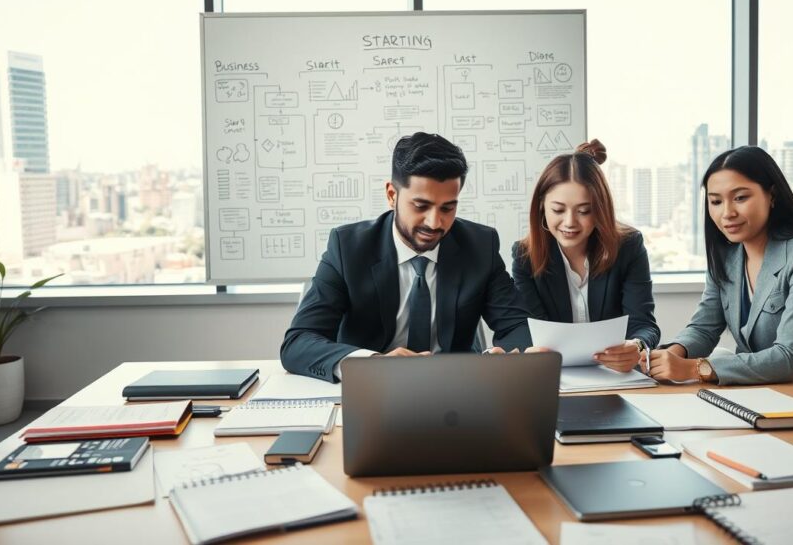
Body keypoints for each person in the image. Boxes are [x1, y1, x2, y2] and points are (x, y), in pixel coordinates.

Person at [281, 132, 536, 382]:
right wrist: (371, 363)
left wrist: (504, 357)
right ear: (392, 195)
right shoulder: (349, 248)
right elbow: (298, 342)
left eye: (448, 207)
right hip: (375, 389)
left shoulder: (480, 246)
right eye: (421, 206)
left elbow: (516, 325)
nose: (435, 222)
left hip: (454, 390)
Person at [646, 146, 793, 388]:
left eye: (740, 198)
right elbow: (704, 328)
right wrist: (671, 356)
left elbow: (788, 357)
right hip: (755, 392)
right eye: (715, 201)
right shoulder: (726, 256)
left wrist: (693, 368)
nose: (727, 212)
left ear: (772, 195)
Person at [511, 139, 659, 373]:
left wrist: (636, 346)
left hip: (616, 376)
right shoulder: (524, 256)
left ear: (600, 209)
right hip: (557, 377)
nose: (570, 222)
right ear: (541, 206)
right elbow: (530, 329)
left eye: (584, 211)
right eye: (558, 210)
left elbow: (644, 324)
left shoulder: (629, 246)